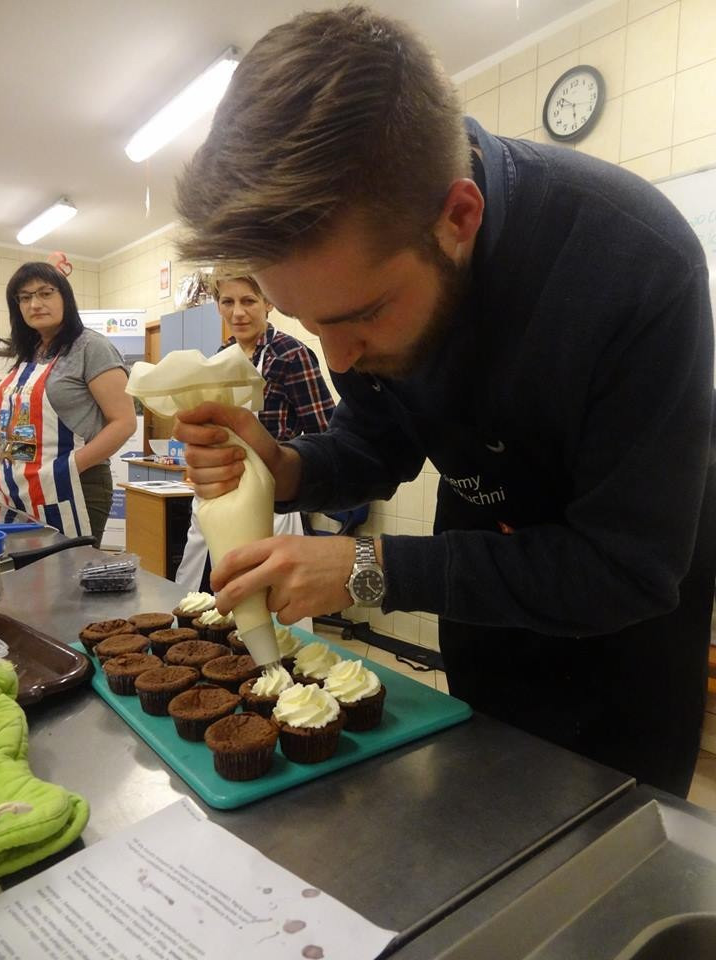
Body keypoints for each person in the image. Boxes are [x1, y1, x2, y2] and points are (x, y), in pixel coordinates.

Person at [171, 6, 715, 797]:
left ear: (458, 218)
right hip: (487, 631)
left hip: (624, 656)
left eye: (359, 317)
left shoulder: (636, 265)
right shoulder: (367, 270)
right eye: (313, 323)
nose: (339, 356)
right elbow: (376, 443)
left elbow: (624, 567)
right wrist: (283, 465)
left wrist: (366, 568)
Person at [175, 267, 335, 615]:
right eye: (227, 301)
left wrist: (285, 462)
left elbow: (327, 431)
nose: (238, 312)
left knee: (267, 603)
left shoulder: (290, 355)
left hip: (269, 498)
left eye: (248, 300)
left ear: (268, 303)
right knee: (203, 592)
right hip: (217, 491)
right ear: (217, 306)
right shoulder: (219, 359)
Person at [0, 262, 136, 546]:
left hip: (76, 483)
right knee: (24, 576)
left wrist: (68, 469)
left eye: (46, 293)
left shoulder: (91, 347)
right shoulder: (27, 354)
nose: (35, 303)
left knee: (65, 577)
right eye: (25, 297)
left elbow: (124, 422)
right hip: (21, 486)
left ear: (65, 298)